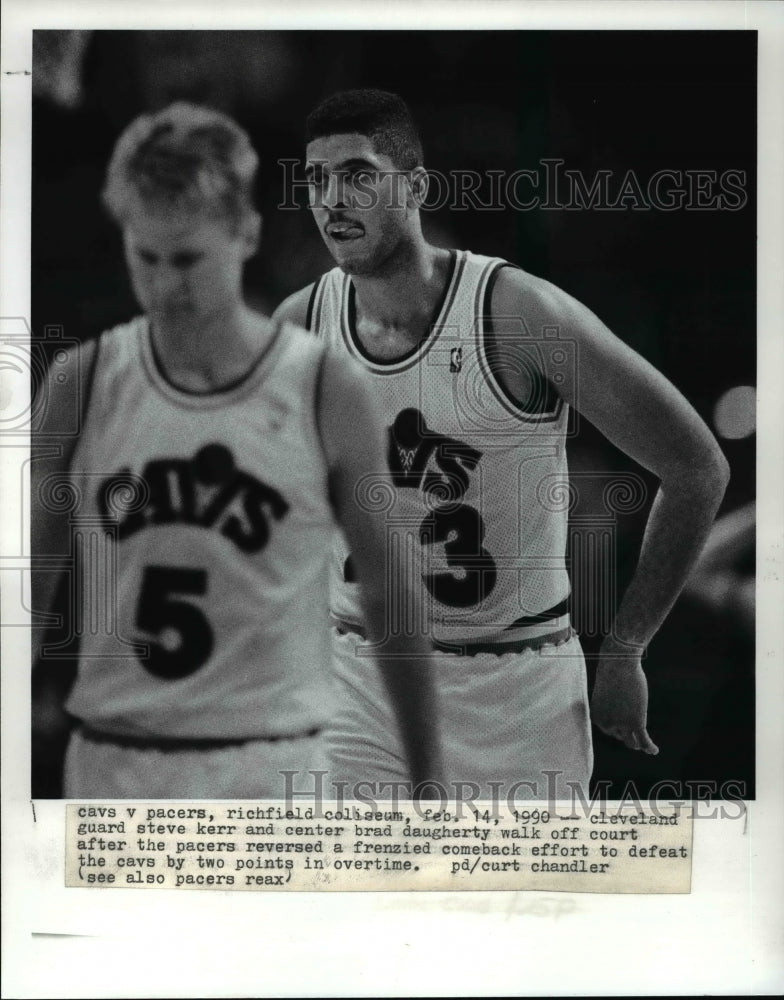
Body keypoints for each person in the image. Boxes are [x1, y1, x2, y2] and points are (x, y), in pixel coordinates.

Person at [273, 88, 730, 801]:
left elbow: (697, 466)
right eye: (316, 179)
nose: (333, 198)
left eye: (358, 174)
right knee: (353, 905)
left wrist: (628, 646)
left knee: (513, 909)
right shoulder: (301, 322)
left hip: (516, 687)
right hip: (361, 679)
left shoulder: (516, 314)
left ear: (415, 185)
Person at [31, 101, 442, 799]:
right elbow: (27, 592)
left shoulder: (321, 383)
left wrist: (428, 773)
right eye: (146, 257)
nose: (165, 285)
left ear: (245, 234)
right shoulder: (82, 381)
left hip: (271, 764)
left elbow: (390, 591)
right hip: (116, 761)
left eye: (188, 259)